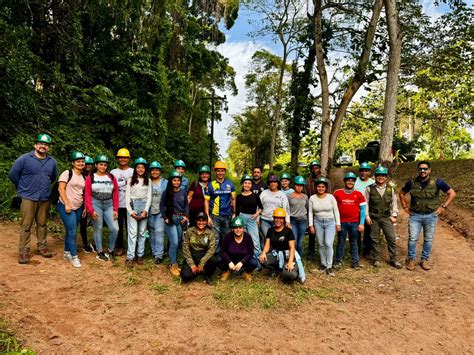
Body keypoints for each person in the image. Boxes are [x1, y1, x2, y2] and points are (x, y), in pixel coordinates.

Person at [9, 133, 58, 264]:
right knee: (26, 225)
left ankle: (42, 247)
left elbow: (53, 178)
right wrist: (22, 188)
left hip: (44, 198)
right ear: (35, 145)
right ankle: (23, 251)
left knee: (42, 224)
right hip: (28, 197)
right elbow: (13, 174)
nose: (43, 146)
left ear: (48, 147)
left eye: (46, 144)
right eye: (41, 143)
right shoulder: (24, 159)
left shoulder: (52, 162)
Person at [399, 161, 456, 271]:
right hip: (415, 215)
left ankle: (424, 259)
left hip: (431, 215)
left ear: (429, 170)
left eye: (425, 169)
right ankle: (411, 259)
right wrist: (405, 207)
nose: (423, 171)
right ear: (418, 170)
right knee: (412, 238)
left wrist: (443, 207)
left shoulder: (438, 182)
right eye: (420, 169)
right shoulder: (411, 182)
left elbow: (452, 193)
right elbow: (401, 193)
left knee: (428, 239)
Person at [365, 166, 402, 268]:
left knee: (391, 238)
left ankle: (394, 259)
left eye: (383, 175)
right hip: (373, 217)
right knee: (374, 238)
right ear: (375, 177)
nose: (380, 177)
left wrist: (394, 215)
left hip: (386, 217)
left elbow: (394, 203)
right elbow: (366, 203)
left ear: (386, 177)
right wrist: (367, 216)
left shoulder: (391, 189)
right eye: (378, 175)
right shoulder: (369, 188)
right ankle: (376, 259)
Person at [84, 154, 119, 261]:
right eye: (100, 164)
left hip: (109, 204)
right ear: (96, 165)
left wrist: (115, 209)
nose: (103, 167)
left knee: (115, 229)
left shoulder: (111, 177)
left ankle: (111, 250)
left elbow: (116, 193)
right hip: (96, 203)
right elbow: (87, 194)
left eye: (105, 165)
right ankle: (99, 252)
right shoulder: (91, 177)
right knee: (98, 228)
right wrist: (91, 210)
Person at [57, 151, 87, 268]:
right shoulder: (67, 173)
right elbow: (61, 189)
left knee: (71, 230)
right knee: (72, 231)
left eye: (82, 162)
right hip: (66, 206)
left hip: (78, 207)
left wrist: (84, 207)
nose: (80, 163)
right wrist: (67, 204)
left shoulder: (84, 176)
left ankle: (66, 253)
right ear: (73, 163)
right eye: (78, 161)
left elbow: (83, 193)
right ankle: (74, 257)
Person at [259, 208, 305, 283]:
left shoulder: (288, 231)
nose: (278, 220)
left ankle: (293, 270)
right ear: (273, 218)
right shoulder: (270, 230)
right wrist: (263, 252)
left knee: (290, 275)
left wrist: (290, 262)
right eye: (276, 218)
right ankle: (276, 270)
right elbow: (267, 244)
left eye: (281, 218)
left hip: (288, 255)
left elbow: (292, 247)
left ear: (284, 219)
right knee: (261, 260)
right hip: (277, 255)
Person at [333, 172, 366, 270]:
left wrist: (361, 223)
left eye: (352, 180)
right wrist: (336, 222)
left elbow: (363, 209)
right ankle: (338, 261)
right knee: (341, 241)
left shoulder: (358, 194)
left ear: (354, 182)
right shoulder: (337, 193)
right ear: (344, 181)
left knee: (354, 242)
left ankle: (355, 262)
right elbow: (333, 208)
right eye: (348, 180)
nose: (350, 182)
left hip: (354, 222)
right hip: (341, 222)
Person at [308, 177, 340, 275]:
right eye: (319, 186)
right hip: (318, 222)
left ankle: (329, 266)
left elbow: (336, 211)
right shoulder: (312, 198)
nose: (320, 188)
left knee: (328, 243)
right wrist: (311, 225)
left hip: (330, 222)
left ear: (325, 188)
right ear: (316, 187)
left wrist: (338, 223)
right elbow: (310, 212)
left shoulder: (331, 197)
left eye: (323, 187)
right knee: (321, 243)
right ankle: (323, 264)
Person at [160, 171, 189, 276]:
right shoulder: (166, 192)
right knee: (174, 242)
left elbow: (186, 205)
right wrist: (165, 217)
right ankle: (173, 264)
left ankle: (175, 261)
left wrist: (186, 216)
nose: (176, 182)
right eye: (174, 180)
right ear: (171, 181)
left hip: (180, 218)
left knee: (179, 242)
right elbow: (161, 206)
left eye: (178, 180)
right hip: (170, 219)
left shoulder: (183, 192)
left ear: (180, 182)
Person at [125, 158, 152, 268]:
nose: (140, 169)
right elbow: (127, 197)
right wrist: (130, 212)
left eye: (142, 167)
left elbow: (149, 197)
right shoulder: (130, 180)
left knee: (142, 232)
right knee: (132, 232)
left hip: (144, 206)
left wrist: (146, 210)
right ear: (135, 169)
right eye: (138, 167)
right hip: (133, 206)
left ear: (145, 169)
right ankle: (130, 256)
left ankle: (140, 255)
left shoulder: (148, 181)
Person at [204, 161, 236, 254]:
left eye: (222, 171)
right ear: (215, 172)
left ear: (224, 171)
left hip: (227, 215)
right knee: (215, 238)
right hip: (214, 216)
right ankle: (214, 259)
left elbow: (234, 200)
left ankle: (225, 258)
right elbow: (206, 201)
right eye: (218, 171)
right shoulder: (210, 185)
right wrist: (208, 216)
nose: (220, 173)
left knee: (226, 237)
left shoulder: (230, 184)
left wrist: (234, 213)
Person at [180, 212, 218, 285]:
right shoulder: (190, 231)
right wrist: (192, 264)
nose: (201, 223)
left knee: (215, 260)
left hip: (204, 255)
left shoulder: (210, 233)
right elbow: (185, 248)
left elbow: (211, 250)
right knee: (185, 276)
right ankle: (198, 272)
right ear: (195, 221)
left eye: (203, 221)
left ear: (206, 222)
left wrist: (202, 263)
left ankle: (207, 275)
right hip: (192, 255)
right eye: (199, 220)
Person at [304, 160, 330, 259]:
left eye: (316, 168)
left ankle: (324, 252)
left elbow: (329, 193)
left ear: (319, 169)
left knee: (323, 232)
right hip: (311, 207)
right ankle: (311, 251)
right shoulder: (307, 180)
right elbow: (306, 194)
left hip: (323, 208)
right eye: (313, 168)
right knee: (312, 231)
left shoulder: (325, 180)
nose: (315, 169)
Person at [220, 217, 258, 282]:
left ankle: (245, 273)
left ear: (243, 228)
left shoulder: (247, 237)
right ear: (232, 229)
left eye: (240, 227)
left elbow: (250, 253)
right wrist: (229, 262)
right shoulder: (228, 236)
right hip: (231, 259)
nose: (238, 230)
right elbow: (223, 252)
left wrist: (242, 262)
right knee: (218, 259)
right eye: (235, 227)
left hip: (242, 260)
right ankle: (227, 271)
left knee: (254, 263)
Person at [111, 148, 133, 256]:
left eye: (125, 157)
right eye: (120, 157)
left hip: (130, 205)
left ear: (128, 159)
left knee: (130, 227)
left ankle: (131, 247)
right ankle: (119, 247)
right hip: (117, 204)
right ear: (117, 159)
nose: (122, 159)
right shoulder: (113, 172)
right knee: (118, 227)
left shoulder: (133, 171)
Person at [235, 174, 263, 260]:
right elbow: (237, 211)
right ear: (242, 184)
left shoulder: (255, 196)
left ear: (251, 185)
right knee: (244, 240)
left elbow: (261, 207)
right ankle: (246, 260)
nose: (247, 185)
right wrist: (237, 222)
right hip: (242, 218)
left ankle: (258, 262)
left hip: (252, 219)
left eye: (249, 183)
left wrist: (257, 214)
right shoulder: (239, 197)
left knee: (255, 241)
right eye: (245, 183)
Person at [147, 161, 168, 264]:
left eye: (157, 170)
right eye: (153, 170)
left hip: (161, 211)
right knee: (151, 232)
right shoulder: (147, 182)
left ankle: (159, 255)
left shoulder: (165, 182)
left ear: (160, 171)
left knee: (159, 231)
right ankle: (154, 252)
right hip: (150, 210)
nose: (155, 172)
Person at [354, 162, 375, 258]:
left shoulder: (372, 182)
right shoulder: (355, 181)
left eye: (366, 171)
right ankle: (356, 250)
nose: (363, 172)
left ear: (369, 172)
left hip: (368, 211)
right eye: (362, 170)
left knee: (368, 231)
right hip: (356, 210)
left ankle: (367, 250)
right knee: (356, 231)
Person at [288, 176, 309, 257]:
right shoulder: (289, 196)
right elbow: (287, 209)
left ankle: (299, 258)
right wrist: (288, 221)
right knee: (294, 241)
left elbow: (307, 208)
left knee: (300, 242)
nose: (299, 187)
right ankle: (292, 257)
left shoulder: (305, 196)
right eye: (297, 185)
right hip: (293, 220)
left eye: (301, 185)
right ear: (294, 185)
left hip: (303, 221)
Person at [80, 155, 95, 253]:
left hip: (94, 202)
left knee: (96, 223)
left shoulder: (94, 175)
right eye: (86, 164)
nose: (88, 166)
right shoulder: (80, 175)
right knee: (83, 223)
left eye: (90, 164)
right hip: (82, 203)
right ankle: (85, 243)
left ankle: (95, 242)